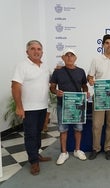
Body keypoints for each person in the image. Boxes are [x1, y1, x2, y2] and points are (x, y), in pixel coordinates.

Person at [11, 40, 52, 176]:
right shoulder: (22, 66)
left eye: (39, 49)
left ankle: (36, 154)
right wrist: (19, 106)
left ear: (42, 51)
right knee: (30, 134)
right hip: (28, 108)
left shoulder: (45, 67)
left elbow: (50, 83)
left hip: (42, 106)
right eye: (33, 49)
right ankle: (33, 161)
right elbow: (15, 86)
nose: (36, 51)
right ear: (27, 51)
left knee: (38, 132)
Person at [87, 34, 110, 160]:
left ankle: (108, 148)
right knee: (97, 124)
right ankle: (96, 148)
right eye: (107, 43)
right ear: (103, 45)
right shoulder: (96, 60)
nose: (109, 45)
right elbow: (90, 77)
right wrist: (91, 81)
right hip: (100, 95)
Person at [50, 48, 89, 165]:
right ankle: (64, 152)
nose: (69, 57)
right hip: (63, 105)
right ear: (63, 58)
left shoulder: (81, 71)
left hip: (78, 105)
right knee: (63, 129)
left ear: (75, 58)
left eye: (72, 55)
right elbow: (52, 87)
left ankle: (77, 150)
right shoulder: (57, 72)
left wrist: (86, 92)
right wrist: (56, 92)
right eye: (67, 55)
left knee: (78, 129)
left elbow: (84, 85)